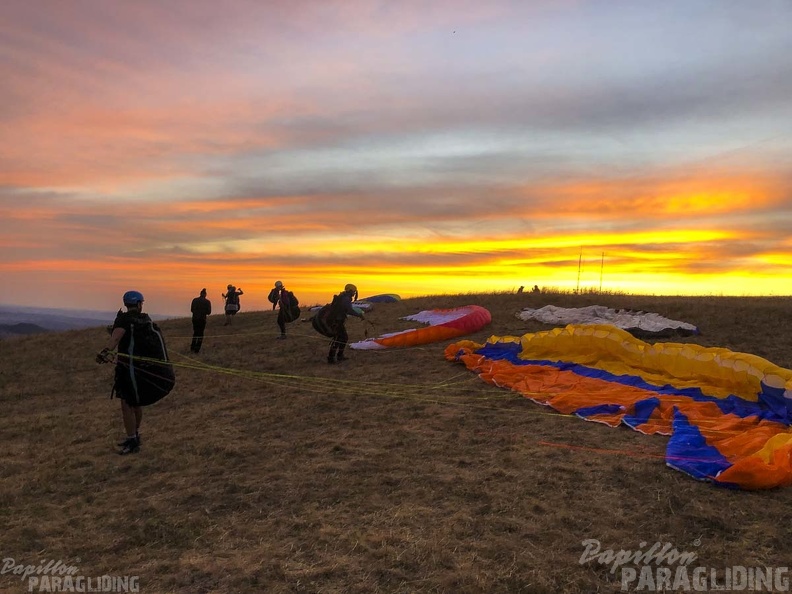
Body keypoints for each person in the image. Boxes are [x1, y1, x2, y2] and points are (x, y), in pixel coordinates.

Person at [96, 291, 146, 455]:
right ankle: (135, 435)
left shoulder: (124, 320)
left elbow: (116, 338)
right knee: (136, 403)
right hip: (141, 366)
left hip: (128, 367)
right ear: (138, 304)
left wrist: (105, 351)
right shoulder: (145, 319)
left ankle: (132, 439)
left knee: (126, 404)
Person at [326, 283, 365, 364]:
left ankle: (338, 356)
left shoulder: (343, 297)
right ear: (350, 291)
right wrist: (359, 315)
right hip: (336, 321)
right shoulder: (345, 299)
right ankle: (332, 358)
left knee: (341, 338)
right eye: (353, 292)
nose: (354, 293)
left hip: (336, 321)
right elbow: (349, 310)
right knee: (339, 339)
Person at [190, 288, 212, 353]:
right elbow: (209, 312)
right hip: (202, 319)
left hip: (195, 318)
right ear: (205, 295)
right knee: (201, 334)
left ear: (200, 294)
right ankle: (197, 349)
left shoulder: (194, 300)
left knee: (195, 333)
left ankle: (192, 347)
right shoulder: (207, 302)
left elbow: (192, 310)